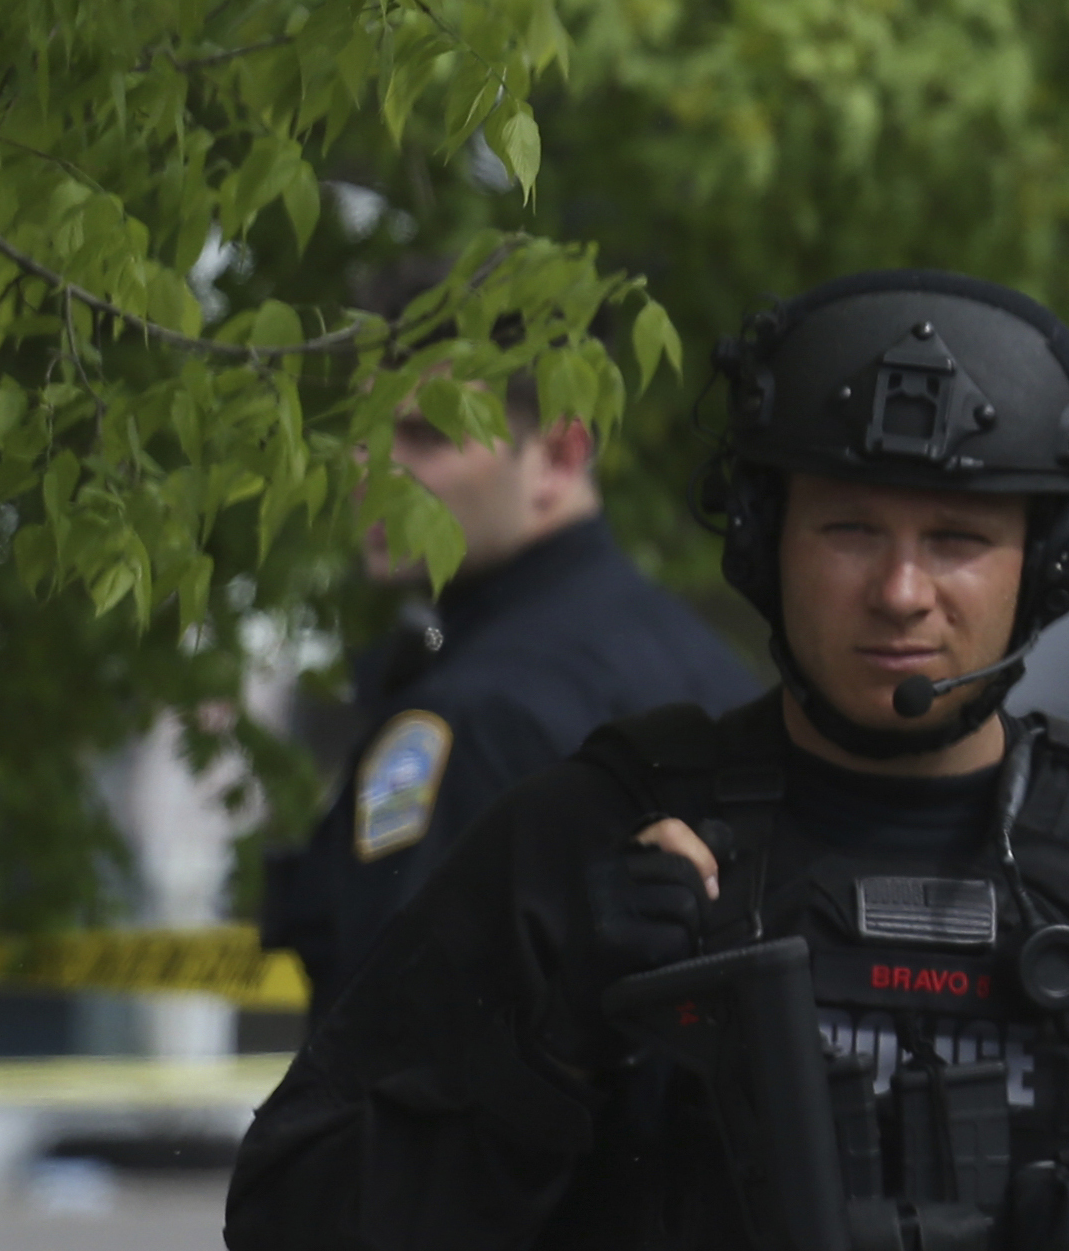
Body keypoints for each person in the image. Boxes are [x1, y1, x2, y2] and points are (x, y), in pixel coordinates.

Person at [229, 268, 1069, 1251]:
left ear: (1044, 564)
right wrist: (544, 1043)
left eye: (956, 538)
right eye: (849, 527)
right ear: (767, 540)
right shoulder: (581, 855)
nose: (900, 591)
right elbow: (298, 1221)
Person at [260, 259, 760, 1020]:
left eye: (423, 435)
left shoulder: (477, 712)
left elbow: (394, 1042)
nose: (369, 469)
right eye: (363, 431)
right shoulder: (705, 666)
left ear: (559, 454)